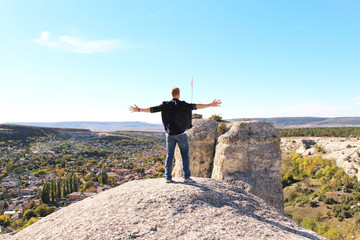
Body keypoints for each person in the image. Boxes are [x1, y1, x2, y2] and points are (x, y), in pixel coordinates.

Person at [129, 87, 221, 183]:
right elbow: (197, 106)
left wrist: (138, 109)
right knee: (184, 155)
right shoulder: (183, 104)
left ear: (171, 94)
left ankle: (168, 178)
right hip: (181, 134)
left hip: (170, 134)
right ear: (179, 94)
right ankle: (186, 177)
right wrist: (211, 104)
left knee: (169, 156)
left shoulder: (165, 105)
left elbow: (151, 109)